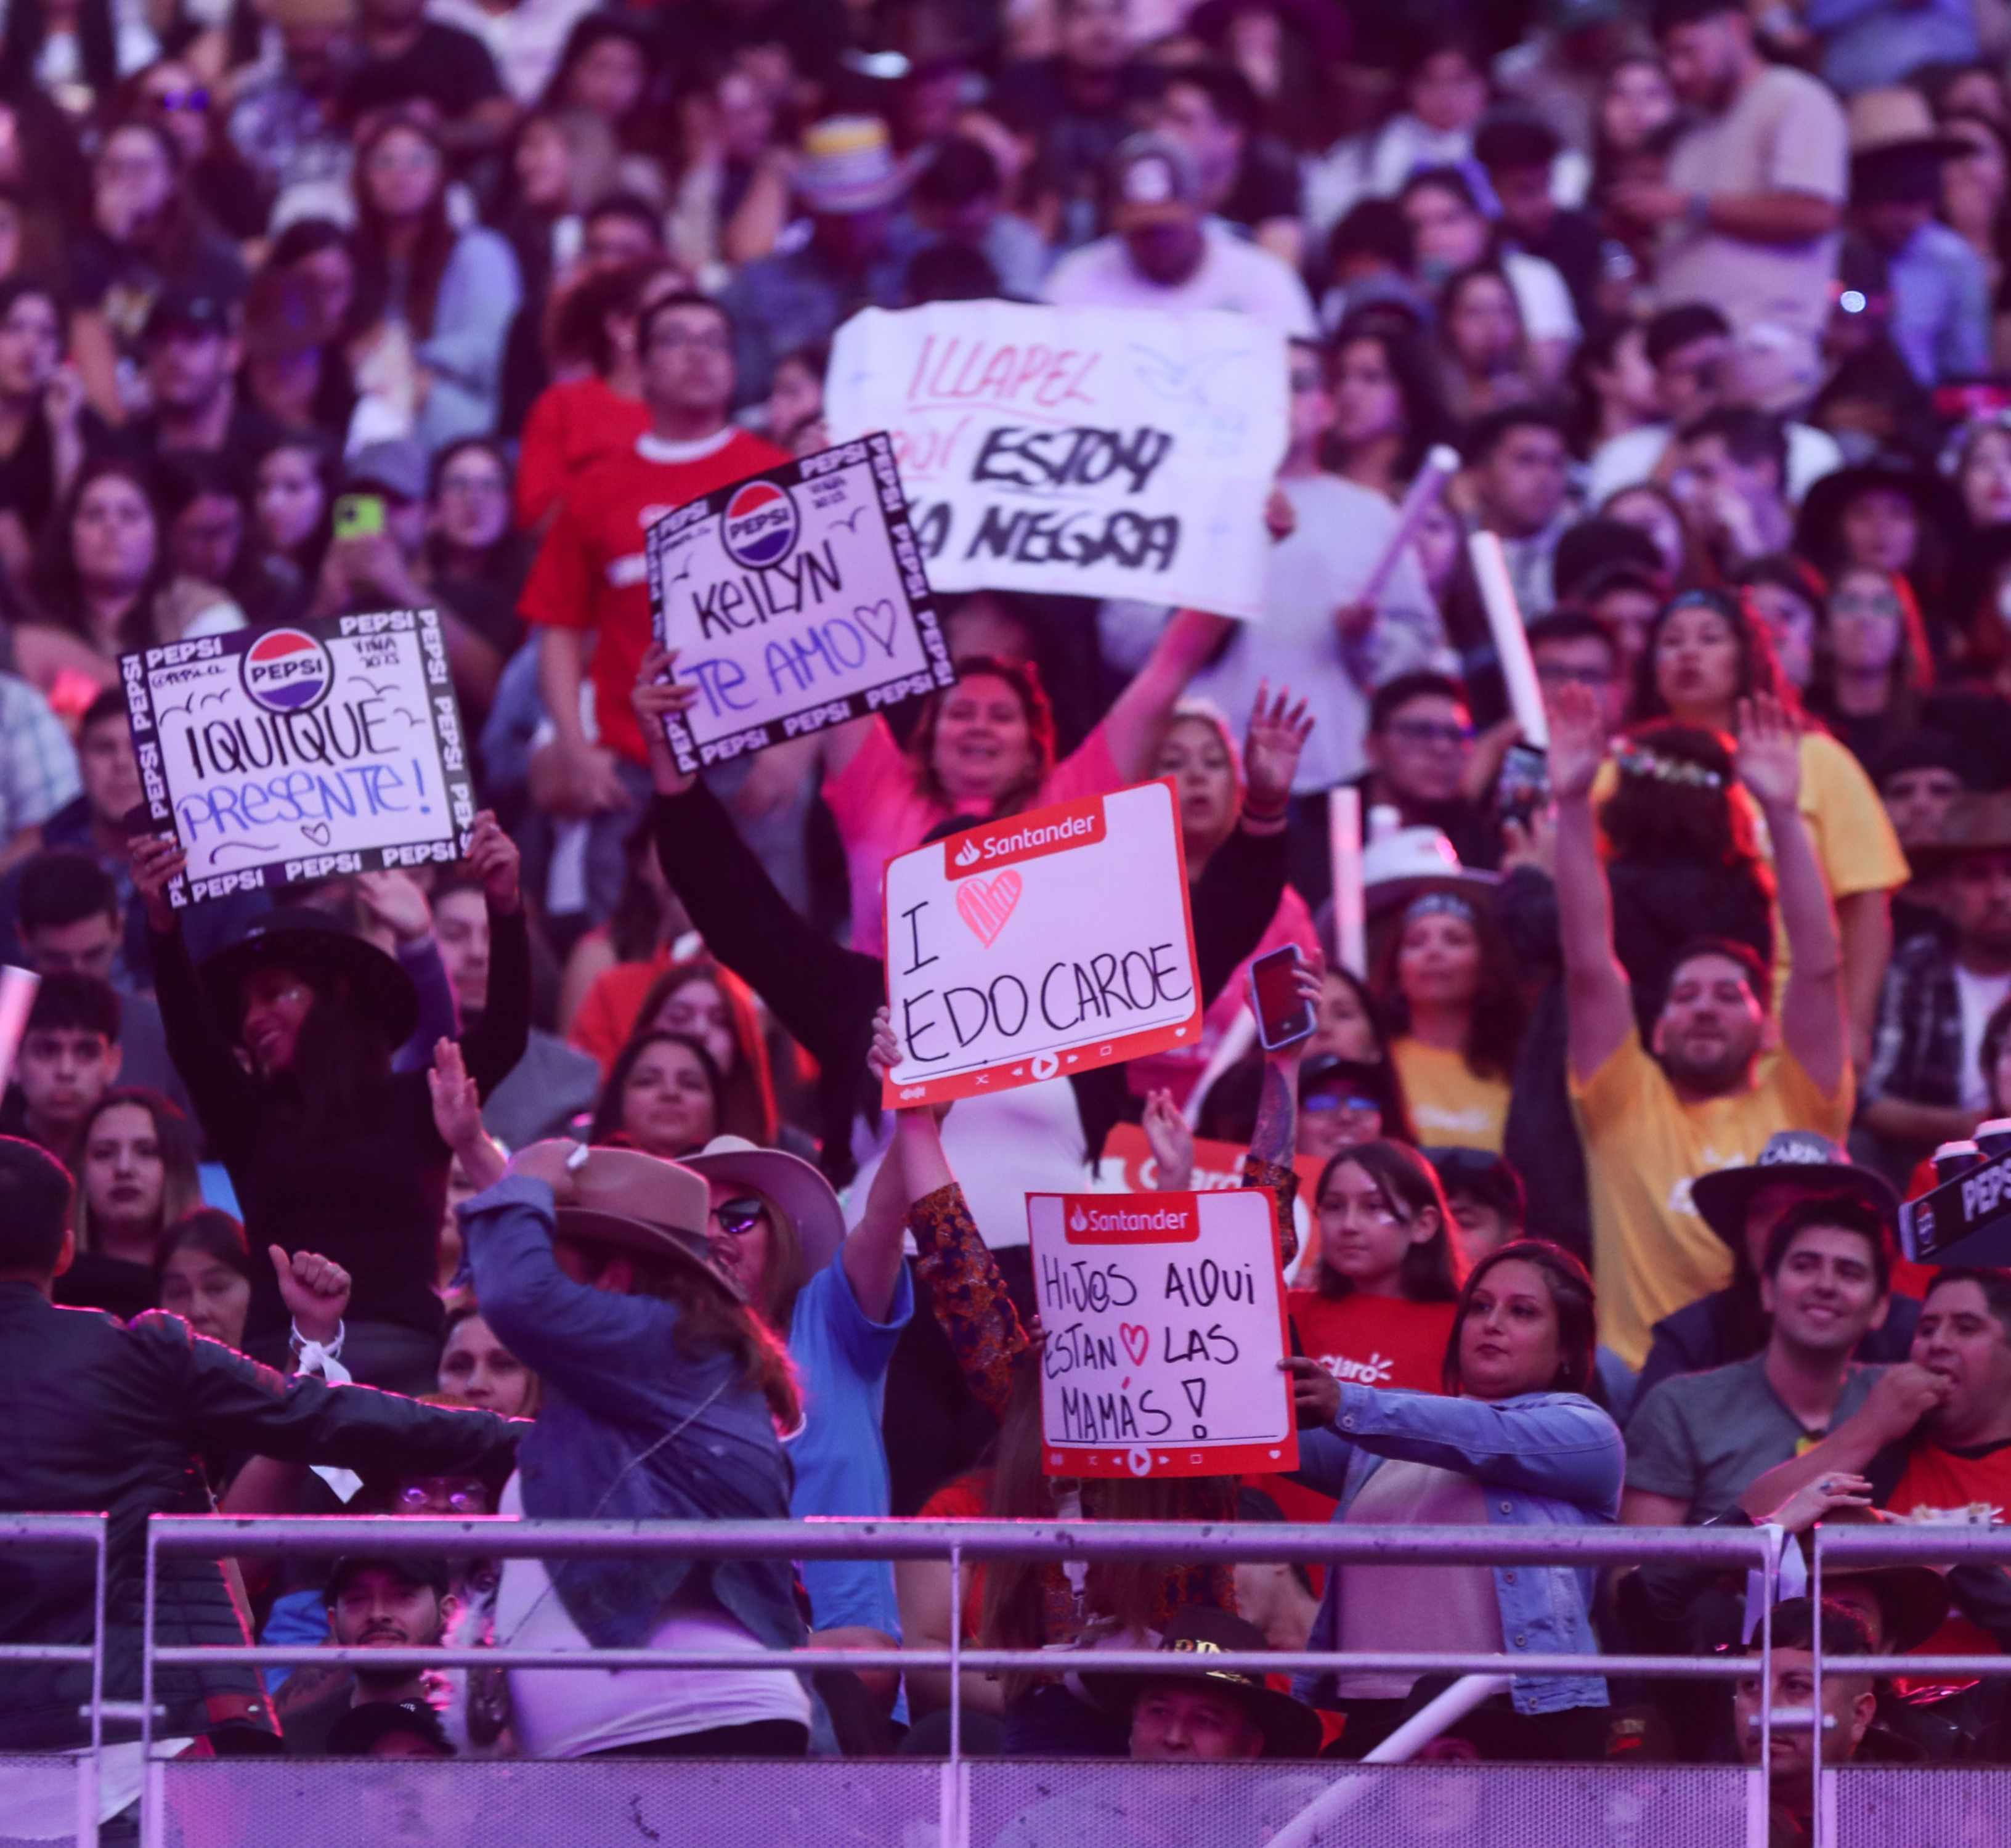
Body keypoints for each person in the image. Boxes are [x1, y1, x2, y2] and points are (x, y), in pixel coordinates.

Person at [0, 1135, 517, 1755]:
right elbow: (320, 1416)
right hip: (139, 1730)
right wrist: (517, 1439)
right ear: (64, 1248)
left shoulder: (141, 1354)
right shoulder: (142, 1352)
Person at [436, 1126, 812, 1759]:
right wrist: (482, 1154)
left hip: (685, 1731)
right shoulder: (640, 1379)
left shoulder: (675, 1344)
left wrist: (526, 1173)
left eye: (550, 1253)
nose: (535, 1266)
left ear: (612, 1276)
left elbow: (519, 1298)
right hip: (651, 1742)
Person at [130, 814, 529, 1390]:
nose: (252, 1018)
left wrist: (505, 903)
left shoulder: (421, 1101)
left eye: (275, 993)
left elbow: (508, 1031)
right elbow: (191, 1040)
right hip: (282, 1372)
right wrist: (163, 928)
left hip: (407, 1372)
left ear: (336, 993)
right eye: (244, 1006)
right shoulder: (247, 1116)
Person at [1553, 680, 1851, 1372]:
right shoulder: (1621, 1099)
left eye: (1729, 993)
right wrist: (1571, 804)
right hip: (1634, 1384)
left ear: (1769, 1027)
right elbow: (1589, 961)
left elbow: (1818, 967)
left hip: (1769, 1383)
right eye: (1685, 995)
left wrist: (1781, 810)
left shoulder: (1799, 1104)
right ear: (1656, 1033)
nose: (1706, 1005)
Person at [1286, 1240, 1623, 1759]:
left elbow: (1485, 1437)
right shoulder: (1381, 1435)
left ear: (1567, 1352)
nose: (1492, 1322)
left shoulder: (1586, 1433)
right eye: (1480, 1306)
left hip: (1517, 1716)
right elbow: (1262, 1429)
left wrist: (1347, 1401)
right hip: (1376, 1714)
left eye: (1523, 1311)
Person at [522, 288, 786, 921]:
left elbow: (827, 623)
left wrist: (787, 758)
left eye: (713, 341)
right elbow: (557, 626)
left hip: (749, 762)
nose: (698, 355)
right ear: (639, 366)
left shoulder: (775, 474)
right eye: (676, 339)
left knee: (773, 963)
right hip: (630, 766)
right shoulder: (596, 489)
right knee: (614, 951)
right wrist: (574, 744)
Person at [1621, 588, 1906, 1065]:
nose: (1689, 652)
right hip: (1653, 1032)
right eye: (1671, 641)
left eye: (1711, 638)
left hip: (1793, 1026)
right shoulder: (1621, 771)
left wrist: (1854, 1026)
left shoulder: (1816, 760)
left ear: (1747, 654)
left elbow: (1865, 906)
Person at [1620, 0, 1846, 414]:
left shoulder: (1793, 98)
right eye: (1669, 56)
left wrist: (1692, 205)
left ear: (1736, 29)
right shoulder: (1692, 138)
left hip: (1766, 364)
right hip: (1688, 380)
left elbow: (1816, 212)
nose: (1678, 71)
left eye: (1689, 50)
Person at [1623, 1197, 1895, 1528]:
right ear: (1767, 1289)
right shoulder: (1681, 1408)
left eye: (1849, 1273)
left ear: (1881, 1307)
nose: (1825, 1285)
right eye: (1804, 1266)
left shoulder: (1905, 1398)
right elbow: (1633, 1576)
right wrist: (1872, 1426)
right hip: (1724, 1582)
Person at [1635, 1130, 1915, 1397]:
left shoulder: (1912, 1333)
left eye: (1802, 1212)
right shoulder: (1690, 1340)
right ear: (1743, 1231)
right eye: (1765, 1210)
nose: (1779, 1228)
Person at [345, 113, 522, 454]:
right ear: (362, 177)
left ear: (440, 174)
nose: (401, 174)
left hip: (460, 415)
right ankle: (363, 506)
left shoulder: (479, 253)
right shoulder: (348, 258)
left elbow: (493, 351)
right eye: (385, 161)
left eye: (417, 161)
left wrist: (409, 364)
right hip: (368, 405)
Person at [717, 116, 922, 407]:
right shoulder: (759, 288)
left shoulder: (921, 268)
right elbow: (744, 399)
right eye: (839, 216)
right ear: (810, 209)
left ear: (887, 205)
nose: (853, 228)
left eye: (865, 212)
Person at [1861, 794, 2011, 1182]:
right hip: (1941, 1165)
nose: (1998, 894)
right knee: (1862, 1149)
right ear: (1945, 891)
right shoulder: (1912, 970)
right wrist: (1976, 1127)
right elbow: (1871, 1102)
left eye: (2010, 873)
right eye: (1978, 875)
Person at [1044, 132, 1317, 336]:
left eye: (1167, 227)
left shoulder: (1260, 278)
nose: (1156, 239)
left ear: (1200, 208)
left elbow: (1299, 372)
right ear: (1117, 220)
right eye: (1143, 229)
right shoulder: (1078, 278)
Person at [432, 874, 599, 1148]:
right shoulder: (385, 1064)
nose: (477, 953)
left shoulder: (573, 1076)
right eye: (454, 934)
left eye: (493, 937)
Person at [1290, 1138, 1460, 1393]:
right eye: (1334, 1206)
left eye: (1373, 1206)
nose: (1348, 1225)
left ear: (1424, 1225)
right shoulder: (1287, 1311)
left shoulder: (1464, 1329)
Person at [1848, 90, 1990, 388]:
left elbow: (1965, 370)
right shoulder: (1825, 253)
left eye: (1925, 197)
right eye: (1897, 198)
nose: (1913, 217)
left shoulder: (1951, 259)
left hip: (1923, 418)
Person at [1374, 885, 1525, 1154]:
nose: (1433, 952)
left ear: (1486, 963)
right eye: (1416, 942)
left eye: (1454, 940)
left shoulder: (1522, 1066)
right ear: (1397, 968)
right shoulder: (1374, 1062)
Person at [1734, 1599, 1880, 1845]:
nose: (1766, 1709)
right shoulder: (1690, 1820)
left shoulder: (1910, 1824)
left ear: (1859, 1716)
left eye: (1796, 1686)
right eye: (1752, 1685)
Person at [52, 1085, 200, 1321]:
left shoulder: (209, 1297)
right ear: (79, 1173)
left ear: (176, 1170)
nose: (124, 1168)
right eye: (104, 1153)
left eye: (146, 1152)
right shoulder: (49, 1294)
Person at [1803, 564, 1932, 768]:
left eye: (1882, 606)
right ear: (1824, 632)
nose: (1865, 619)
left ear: (1901, 631)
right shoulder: (1803, 724)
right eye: (1848, 604)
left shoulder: (1932, 722)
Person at [1463, 406, 1575, 617]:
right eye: (1526, 460)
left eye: (1556, 463)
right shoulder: (1453, 549)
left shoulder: (1582, 547)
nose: (1545, 478)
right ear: (1480, 474)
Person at [4, 971, 121, 1158]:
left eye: (86, 1052)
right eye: (47, 1051)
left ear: (113, 1062)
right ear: (14, 1061)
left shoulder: (143, 1149)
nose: (66, 1071)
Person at [323, 1557, 452, 1712]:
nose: (378, 1614)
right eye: (357, 1599)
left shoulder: (478, 1727)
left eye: (402, 1596)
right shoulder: (299, 1733)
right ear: (333, 1620)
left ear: (446, 1612)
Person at [587, 1031, 725, 1157]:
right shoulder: (578, 1176)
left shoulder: (744, 1181)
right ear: (618, 1100)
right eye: (648, 1081)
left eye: (690, 1084)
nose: (671, 1092)